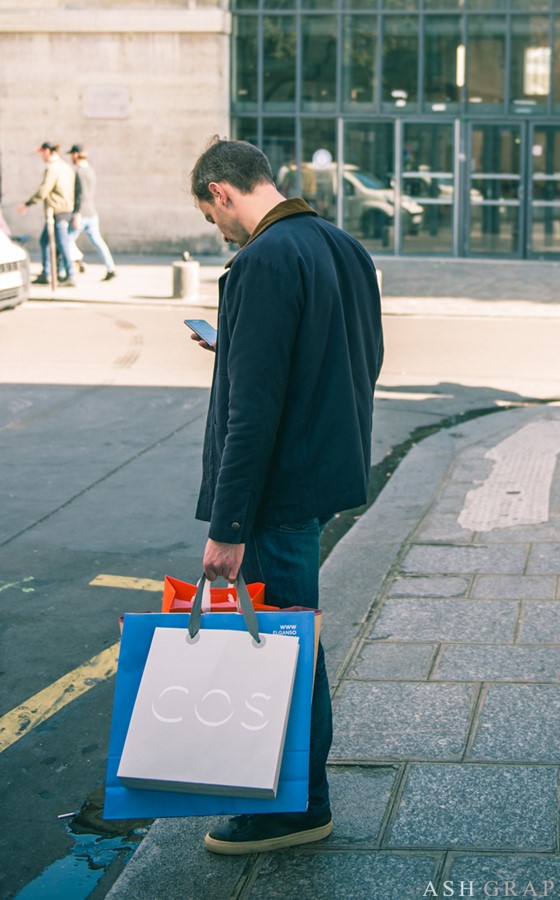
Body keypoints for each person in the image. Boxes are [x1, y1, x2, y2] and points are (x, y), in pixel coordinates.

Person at [190, 137, 383, 855]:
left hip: (274, 490)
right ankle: (296, 797)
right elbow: (356, 353)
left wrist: (229, 524)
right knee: (291, 638)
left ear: (221, 191)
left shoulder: (261, 261)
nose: (219, 231)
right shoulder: (341, 245)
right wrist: (235, 342)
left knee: (285, 648)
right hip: (320, 472)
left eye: (215, 218)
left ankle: (298, 807)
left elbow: (254, 409)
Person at [17, 142, 76, 286]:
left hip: (57, 210)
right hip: (65, 209)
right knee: (45, 242)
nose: (42, 156)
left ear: (48, 151)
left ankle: (70, 274)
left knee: (62, 243)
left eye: (43, 152)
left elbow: (44, 190)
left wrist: (28, 204)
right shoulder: (66, 167)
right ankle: (47, 273)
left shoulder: (53, 169)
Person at [68, 144, 117, 281]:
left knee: (67, 240)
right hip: (91, 212)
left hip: (81, 213)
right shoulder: (90, 170)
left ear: (76, 154)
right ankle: (110, 267)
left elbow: (81, 195)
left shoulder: (80, 172)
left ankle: (73, 265)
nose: (71, 157)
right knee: (98, 241)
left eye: (72, 154)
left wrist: (77, 213)